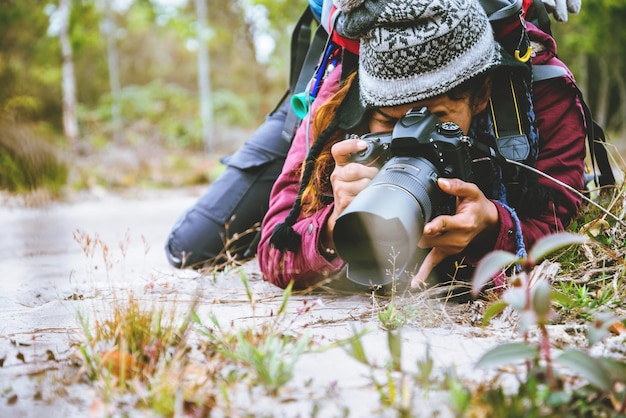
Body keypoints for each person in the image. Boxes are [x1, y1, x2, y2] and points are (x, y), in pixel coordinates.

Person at [164, 0, 583, 270]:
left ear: (480, 94)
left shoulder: (538, 88)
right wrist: (330, 224)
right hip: (322, 117)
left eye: (436, 117)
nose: (411, 133)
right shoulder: (344, 93)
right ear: (369, 100)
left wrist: (494, 225)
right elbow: (276, 251)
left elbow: (561, 225)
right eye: (391, 119)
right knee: (190, 246)